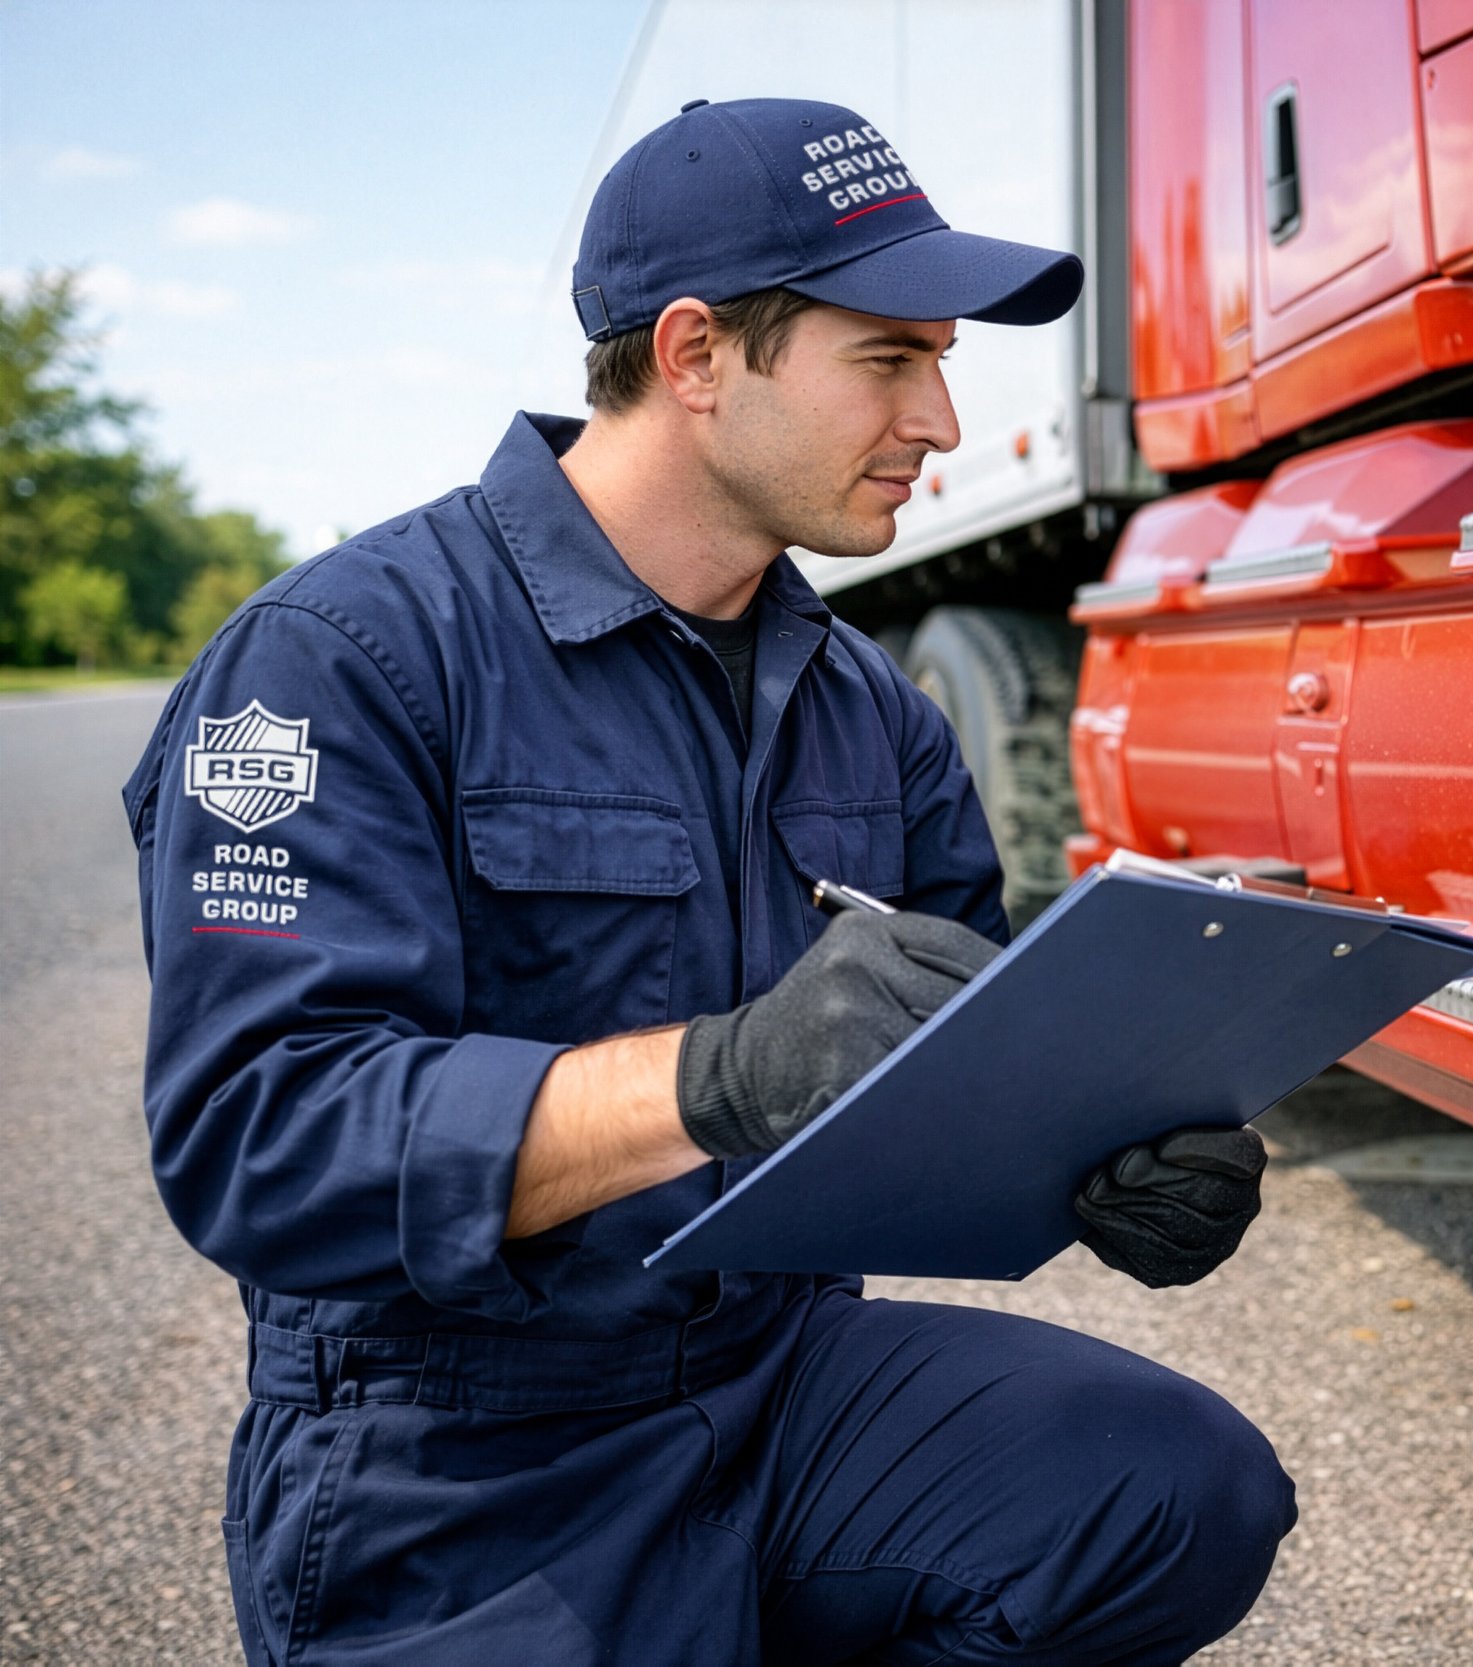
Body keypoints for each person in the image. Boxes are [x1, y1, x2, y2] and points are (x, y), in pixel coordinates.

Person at [123, 97, 1295, 1666]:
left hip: (782, 1376)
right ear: (692, 357)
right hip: (461, 1453)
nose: (941, 420)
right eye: (891, 360)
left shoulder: (870, 711)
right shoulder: (347, 660)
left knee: (1171, 1490)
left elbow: (979, 1066)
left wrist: (1111, 1168)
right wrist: (719, 1077)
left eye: (943, 362)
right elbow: (262, 1141)